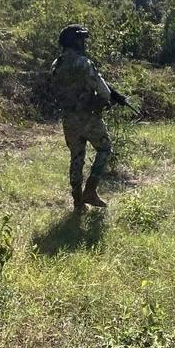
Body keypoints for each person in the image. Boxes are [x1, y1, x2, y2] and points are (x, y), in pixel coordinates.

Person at [50, 23, 125, 210]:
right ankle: (90, 190)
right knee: (105, 148)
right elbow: (102, 90)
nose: (83, 42)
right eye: (81, 38)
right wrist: (111, 97)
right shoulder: (83, 62)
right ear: (75, 41)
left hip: (68, 118)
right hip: (88, 116)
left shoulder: (56, 64)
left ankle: (77, 202)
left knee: (76, 157)